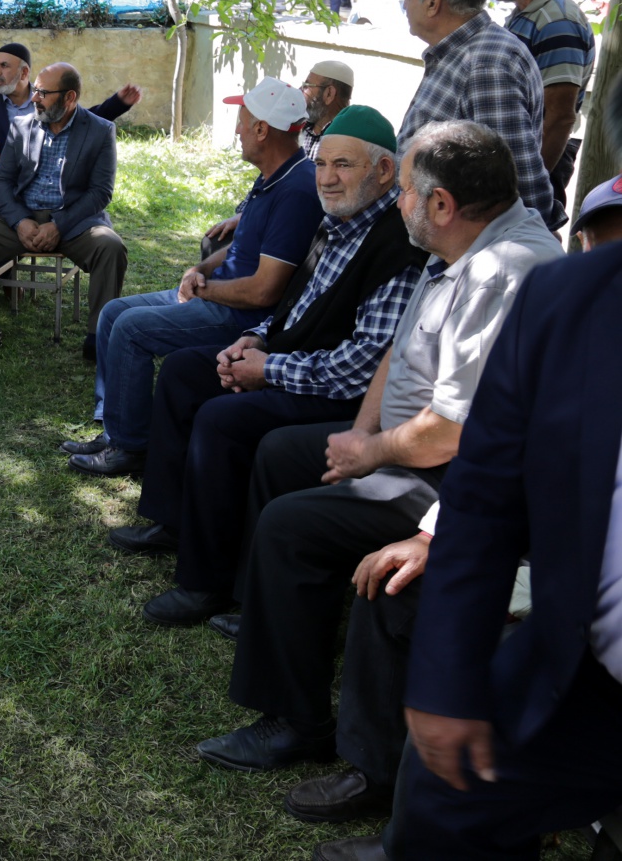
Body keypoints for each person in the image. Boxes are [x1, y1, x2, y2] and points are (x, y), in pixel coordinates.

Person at [193, 123, 560, 824]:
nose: (395, 204)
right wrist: (359, 434)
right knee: (282, 453)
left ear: (444, 204)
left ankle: (309, 729)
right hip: (405, 451)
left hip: (460, 489)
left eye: (406, 192)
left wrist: (376, 451)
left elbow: (456, 432)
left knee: (294, 525)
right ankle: (275, 622)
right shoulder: (456, 243)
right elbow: (398, 352)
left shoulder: (506, 270)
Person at [361, 134, 622, 861]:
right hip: (596, 675)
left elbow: (451, 437)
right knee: (447, 797)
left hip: (420, 472)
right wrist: (446, 681)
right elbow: (486, 493)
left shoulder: (511, 268)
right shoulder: (570, 299)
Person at [106, 109, 428, 629]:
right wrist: (254, 339)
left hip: (345, 397)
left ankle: (209, 582)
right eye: (321, 163)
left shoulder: (398, 245)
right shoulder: (342, 218)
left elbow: (364, 365)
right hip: (297, 362)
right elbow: (295, 306)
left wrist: (268, 368)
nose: (326, 177)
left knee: (223, 421)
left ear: (385, 172)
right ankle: (174, 521)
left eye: (342, 165)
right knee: (188, 371)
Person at [64, 79, 322, 469]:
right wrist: (201, 268)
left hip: (241, 317)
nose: (237, 130)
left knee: (131, 329)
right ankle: (115, 431)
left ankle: (130, 448)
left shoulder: (296, 192)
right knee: (113, 313)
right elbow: (245, 245)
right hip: (221, 298)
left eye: (241, 121)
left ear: (262, 130)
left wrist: (205, 290)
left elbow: (264, 292)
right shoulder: (273, 174)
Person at [0, 62, 129, 358]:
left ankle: (99, 337)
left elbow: (100, 192)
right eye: (35, 90)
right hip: (25, 218)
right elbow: (2, 178)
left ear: (69, 98)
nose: (34, 99)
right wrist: (20, 221)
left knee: (111, 248)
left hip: (75, 222)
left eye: (43, 93)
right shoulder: (22, 125)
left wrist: (58, 224)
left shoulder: (100, 130)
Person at [390, 0, 560, 230]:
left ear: (432, 2)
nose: (405, 6)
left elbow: (520, 184)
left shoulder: (486, 63)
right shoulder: (462, 52)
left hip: (471, 252)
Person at [0, 41, 140, 234]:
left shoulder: (45, 98)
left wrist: (118, 103)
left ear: (24, 73)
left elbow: (82, 123)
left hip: (30, 192)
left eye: (4, 66)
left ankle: (5, 258)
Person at [485, 0, 596, 212]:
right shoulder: (525, 15)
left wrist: (526, 186)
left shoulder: (557, 21)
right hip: (519, 163)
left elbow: (559, 116)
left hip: (538, 165)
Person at [202, 60, 351, 254]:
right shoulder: (298, 126)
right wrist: (246, 215)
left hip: (302, 228)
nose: (301, 90)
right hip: (276, 214)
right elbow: (272, 175)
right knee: (213, 242)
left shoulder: (343, 138)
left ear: (329, 93)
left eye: (307, 86)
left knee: (218, 247)